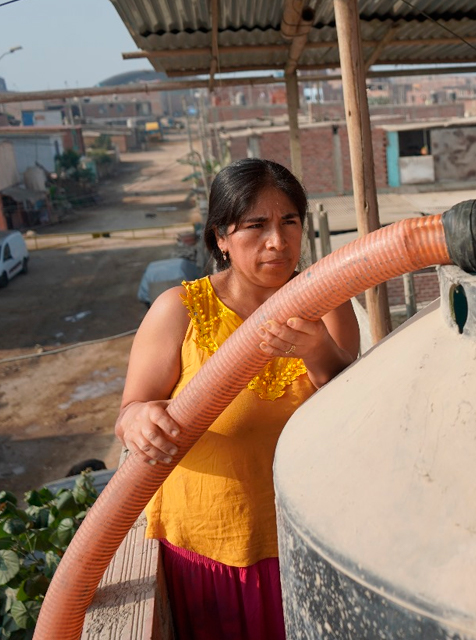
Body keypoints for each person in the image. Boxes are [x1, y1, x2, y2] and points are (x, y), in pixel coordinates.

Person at [114, 158, 360, 640]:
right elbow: (129, 412)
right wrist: (140, 418)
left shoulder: (328, 302)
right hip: (211, 555)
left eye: (290, 221)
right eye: (256, 225)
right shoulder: (179, 312)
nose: (278, 241)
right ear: (221, 237)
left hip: (309, 544)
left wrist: (318, 352)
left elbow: (355, 411)